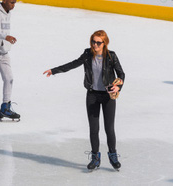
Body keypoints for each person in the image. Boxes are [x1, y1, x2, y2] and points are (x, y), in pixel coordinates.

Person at [43, 30, 125, 171]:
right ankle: (95, 157)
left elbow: (121, 74)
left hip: (107, 96)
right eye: (93, 41)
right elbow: (73, 64)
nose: (94, 45)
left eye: (98, 42)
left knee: (109, 128)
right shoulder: (87, 54)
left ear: (104, 43)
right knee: (94, 129)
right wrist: (54, 70)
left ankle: (113, 155)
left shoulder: (111, 56)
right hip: (92, 95)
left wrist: (118, 87)